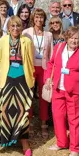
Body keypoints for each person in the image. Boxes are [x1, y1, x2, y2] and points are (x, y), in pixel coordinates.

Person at [0, 16, 35, 156]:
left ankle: (24, 142)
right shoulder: (2, 41)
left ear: (21, 27)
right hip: (7, 79)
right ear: (8, 28)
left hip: (23, 79)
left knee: (23, 112)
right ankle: (5, 138)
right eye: (13, 26)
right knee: (5, 109)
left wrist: (31, 78)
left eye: (18, 26)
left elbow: (30, 60)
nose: (15, 29)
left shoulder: (27, 41)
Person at [46, 26, 79, 156]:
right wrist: (48, 77)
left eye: (77, 38)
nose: (74, 41)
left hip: (75, 92)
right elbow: (51, 64)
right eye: (72, 38)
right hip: (58, 88)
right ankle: (61, 142)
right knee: (58, 116)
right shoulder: (59, 47)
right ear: (66, 37)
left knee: (75, 120)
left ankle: (75, 148)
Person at [23, 8, 53, 137]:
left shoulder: (49, 35)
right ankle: (27, 122)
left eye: (41, 17)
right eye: (37, 17)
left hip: (44, 68)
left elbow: (51, 54)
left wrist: (51, 72)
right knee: (28, 94)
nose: (39, 20)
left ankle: (43, 123)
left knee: (44, 96)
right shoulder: (26, 32)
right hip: (30, 67)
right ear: (33, 19)